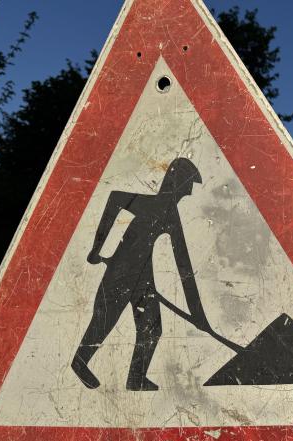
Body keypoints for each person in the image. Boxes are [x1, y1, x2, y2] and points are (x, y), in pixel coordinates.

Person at [71, 157, 209, 391]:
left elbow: (184, 268)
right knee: (105, 319)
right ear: (176, 182)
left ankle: (136, 378)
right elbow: (115, 198)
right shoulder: (150, 204)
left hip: (143, 277)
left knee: (152, 327)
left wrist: (198, 315)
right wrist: (97, 248)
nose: (189, 193)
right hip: (121, 272)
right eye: (188, 186)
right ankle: (79, 362)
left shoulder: (171, 217)